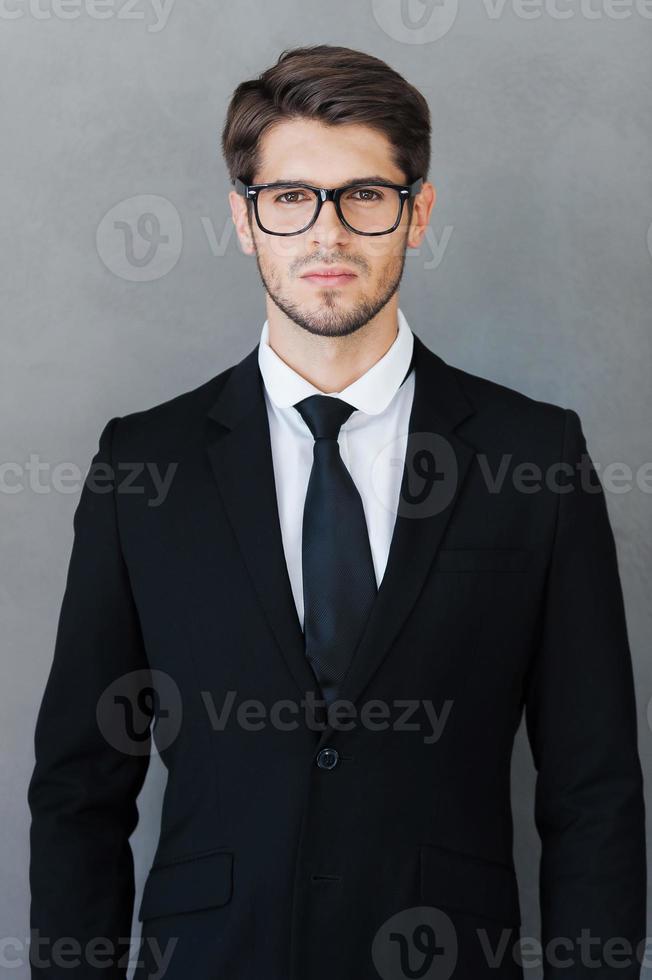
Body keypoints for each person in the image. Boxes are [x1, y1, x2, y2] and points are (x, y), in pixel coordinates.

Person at [28, 44, 646, 980]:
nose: (328, 233)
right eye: (291, 197)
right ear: (244, 219)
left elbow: (593, 788)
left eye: (366, 194)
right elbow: (80, 787)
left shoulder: (536, 458)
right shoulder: (144, 466)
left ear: (418, 212)